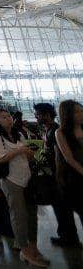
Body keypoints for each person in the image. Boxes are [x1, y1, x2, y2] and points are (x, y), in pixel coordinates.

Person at [0, 108, 47, 267]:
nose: (9, 119)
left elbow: (25, 155)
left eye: (9, 116)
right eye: (4, 117)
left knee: (32, 213)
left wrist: (29, 152)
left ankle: (34, 247)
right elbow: (0, 159)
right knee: (19, 215)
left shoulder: (19, 134)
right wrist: (20, 150)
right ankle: (24, 250)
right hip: (11, 180)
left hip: (27, 177)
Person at [34, 102, 80, 248]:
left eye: (38, 114)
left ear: (47, 115)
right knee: (62, 209)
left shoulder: (56, 131)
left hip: (62, 176)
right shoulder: (48, 130)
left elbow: (60, 157)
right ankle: (67, 237)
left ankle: (69, 238)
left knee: (63, 209)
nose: (36, 117)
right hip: (58, 176)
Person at [54, 100, 83, 249]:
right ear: (68, 115)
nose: (81, 114)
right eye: (77, 112)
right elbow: (69, 158)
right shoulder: (60, 132)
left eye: (81, 110)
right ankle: (70, 239)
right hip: (73, 177)